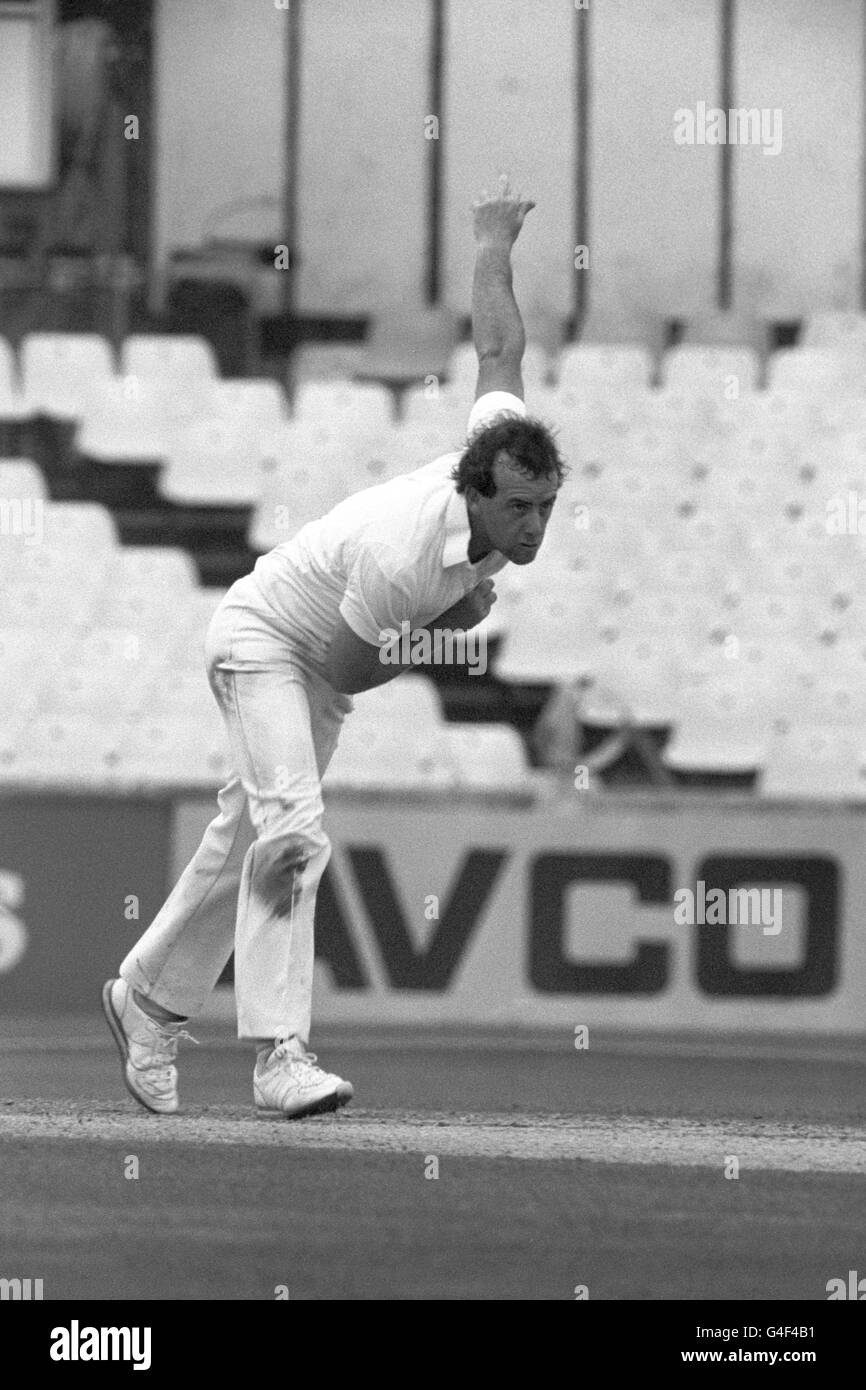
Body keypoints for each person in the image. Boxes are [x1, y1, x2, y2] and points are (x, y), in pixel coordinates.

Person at [102, 174, 567, 1119]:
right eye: (517, 510)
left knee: (246, 840)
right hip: (265, 641)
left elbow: (499, 347)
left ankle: (144, 997)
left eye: (545, 509)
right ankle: (280, 1057)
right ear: (475, 493)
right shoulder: (408, 555)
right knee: (294, 833)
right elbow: (357, 667)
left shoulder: (494, 445)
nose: (531, 529)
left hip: (316, 660)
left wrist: (490, 244)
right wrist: (445, 627)